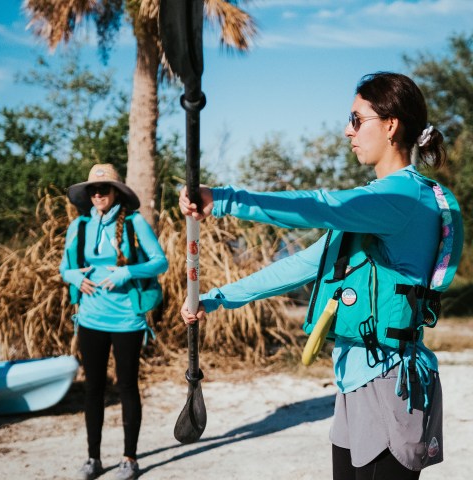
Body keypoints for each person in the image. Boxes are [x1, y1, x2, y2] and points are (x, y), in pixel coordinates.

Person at [178, 72, 463, 479]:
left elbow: (320, 205)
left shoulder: (402, 198)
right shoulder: (378, 202)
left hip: (391, 380)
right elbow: (302, 265)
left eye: (356, 119)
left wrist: (223, 200)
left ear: (391, 124)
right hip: (355, 377)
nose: (348, 131)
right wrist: (217, 298)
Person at [60, 163, 168, 480]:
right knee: (93, 388)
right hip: (90, 318)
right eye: (92, 190)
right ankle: (93, 458)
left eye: (103, 189)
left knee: (127, 386)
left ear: (116, 192)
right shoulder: (79, 226)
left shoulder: (134, 223)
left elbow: (160, 261)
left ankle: (129, 459)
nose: (97, 195)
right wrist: (73, 278)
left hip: (126, 319)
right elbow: (64, 267)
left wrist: (127, 271)